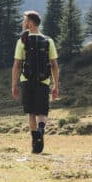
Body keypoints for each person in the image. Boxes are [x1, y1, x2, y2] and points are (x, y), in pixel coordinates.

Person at [11, 11, 60, 154]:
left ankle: (35, 142)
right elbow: (54, 66)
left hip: (26, 80)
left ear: (30, 23)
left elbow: (17, 65)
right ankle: (41, 129)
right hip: (44, 81)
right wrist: (56, 85)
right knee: (42, 111)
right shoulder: (48, 41)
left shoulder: (22, 41)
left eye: (24, 20)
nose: (23, 22)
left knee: (31, 113)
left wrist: (14, 85)